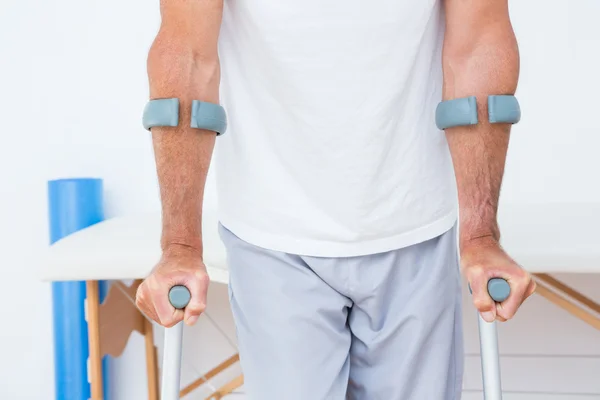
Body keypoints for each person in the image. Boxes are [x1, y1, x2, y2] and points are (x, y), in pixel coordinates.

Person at [135, 1, 536, 398]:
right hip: (272, 231)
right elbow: (187, 55)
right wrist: (180, 245)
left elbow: (479, 45)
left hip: (415, 226)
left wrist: (481, 236)